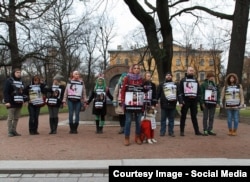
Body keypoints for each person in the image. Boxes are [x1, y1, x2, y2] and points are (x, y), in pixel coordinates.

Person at [121, 64, 144, 146]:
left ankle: (137, 137)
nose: (137, 69)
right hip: (129, 103)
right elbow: (123, 90)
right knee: (128, 121)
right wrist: (123, 101)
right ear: (132, 69)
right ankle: (126, 138)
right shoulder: (127, 78)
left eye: (138, 68)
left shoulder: (141, 79)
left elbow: (143, 90)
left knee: (138, 121)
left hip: (138, 104)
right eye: (135, 68)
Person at [178, 67, 202, 136]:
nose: (191, 72)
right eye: (190, 71)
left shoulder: (196, 80)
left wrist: (197, 99)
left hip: (193, 101)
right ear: (187, 71)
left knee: (194, 116)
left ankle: (197, 131)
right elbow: (180, 91)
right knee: (183, 116)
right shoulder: (183, 80)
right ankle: (182, 131)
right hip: (186, 100)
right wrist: (181, 101)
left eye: (192, 71)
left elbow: (199, 91)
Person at [3, 68, 25, 137]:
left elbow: (22, 92)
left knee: (16, 118)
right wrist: (7, 101)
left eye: (19, 72)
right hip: (11, 102)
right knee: (10, 118)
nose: (19, 74)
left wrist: (24, 99)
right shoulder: (9, 81)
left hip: (19, 102)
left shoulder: (21, 82)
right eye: (17, 72)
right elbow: (5, 92)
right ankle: (10, 131)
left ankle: (14, 130)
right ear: (14, 73)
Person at [156, 72, 178, 137]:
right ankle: (162, 131)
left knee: (171, 119)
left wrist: (180, 101)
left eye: (170, 75)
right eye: (167, 75)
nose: (168, 76)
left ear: (171, 76)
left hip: (172, 104)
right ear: (165, 76)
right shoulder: (161, 85)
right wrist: (156, 101)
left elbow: (178, 93)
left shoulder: (175, 84)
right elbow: (158, 94)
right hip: (164, 105)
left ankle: (171, 132)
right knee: (163, 119)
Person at [142, 71, 157, 143]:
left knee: (152, 120)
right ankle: (145, 136)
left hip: (150, 104)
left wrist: (154, 103)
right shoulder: (142, 84)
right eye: (147, 76)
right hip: (143, 104)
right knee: (144, 121)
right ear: (145, 76)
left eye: (149, 76)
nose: (149, 77)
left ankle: (151, 136)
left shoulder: (153, 85)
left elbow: (155, 95)